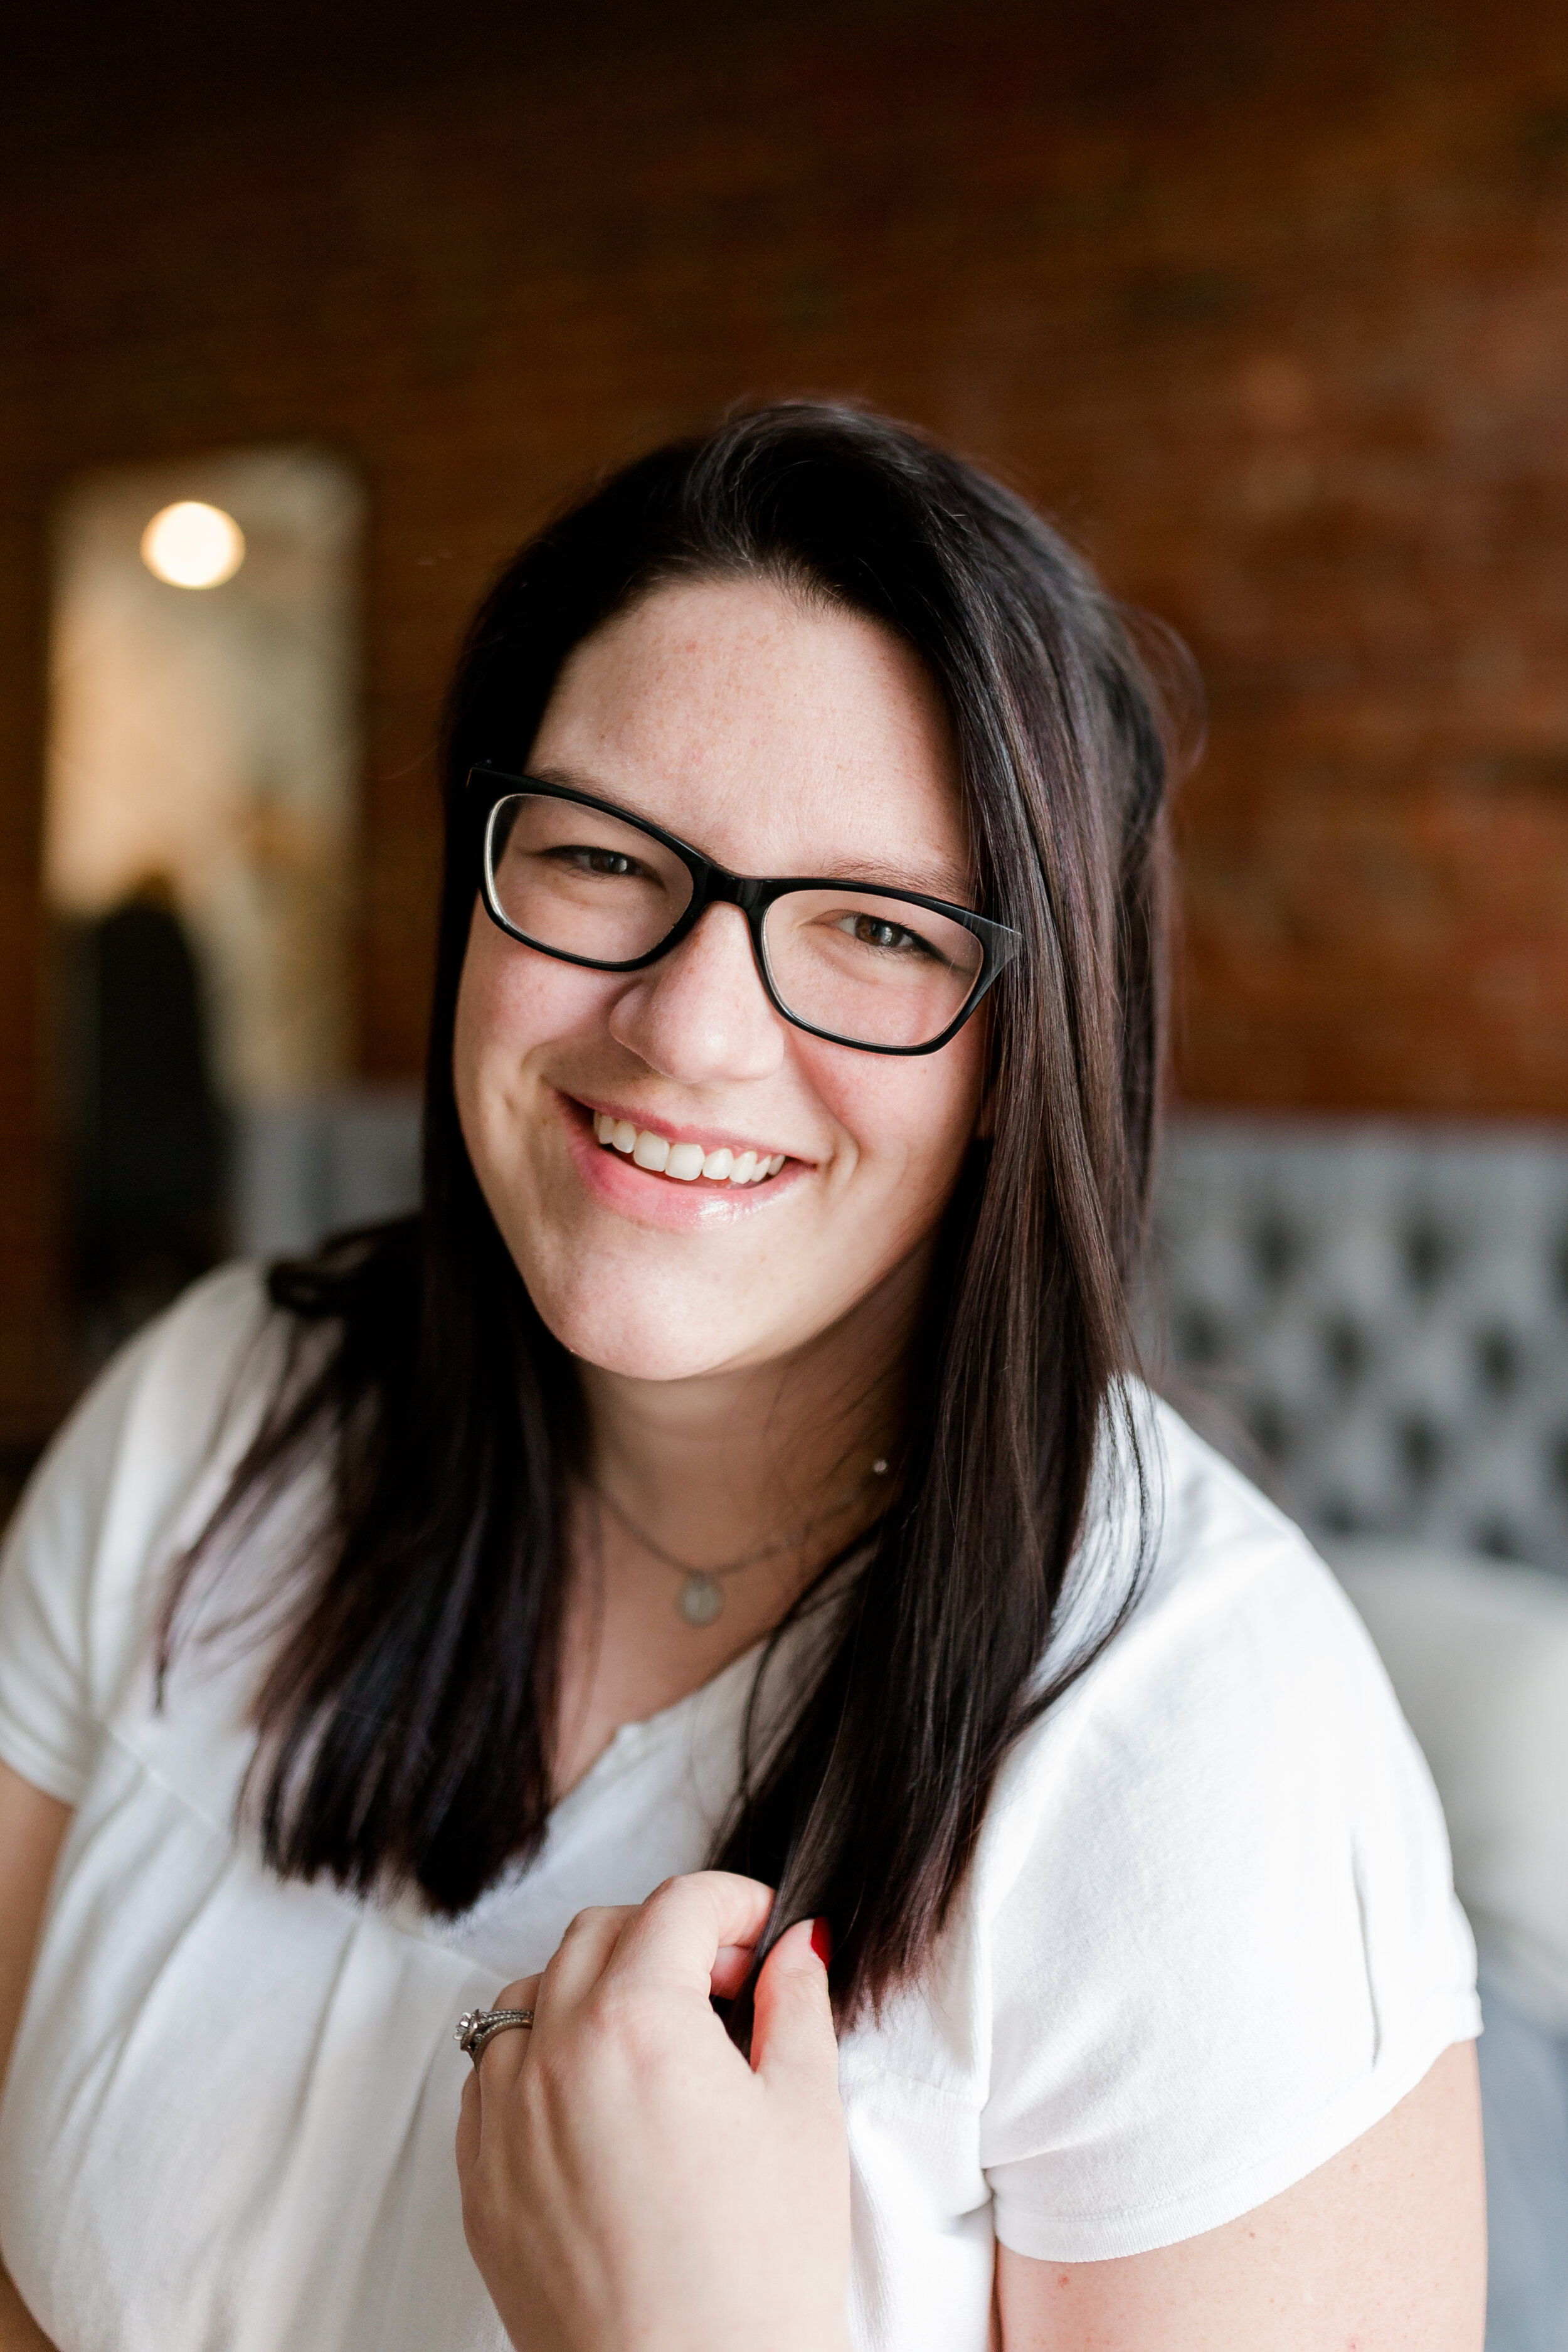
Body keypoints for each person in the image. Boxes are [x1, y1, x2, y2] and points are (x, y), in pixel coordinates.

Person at [0, 404, 1484, 2352]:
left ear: (1024, 1047)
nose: (688, 1032)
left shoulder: (1206, 1760)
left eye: (875, 926)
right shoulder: (215, 1411)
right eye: (603, 857)